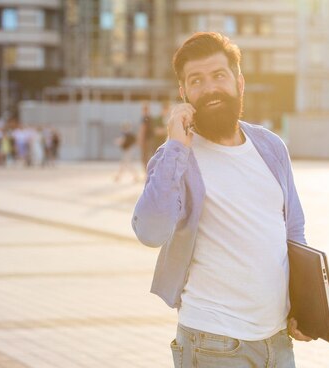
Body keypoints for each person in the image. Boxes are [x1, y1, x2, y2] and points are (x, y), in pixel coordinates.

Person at [131, 32, 311, 368]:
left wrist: (301, 304)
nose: (210, 87)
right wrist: (175, 145)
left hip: (277, 340)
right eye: (196, 80)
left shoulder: (270, 147)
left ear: (239, 83)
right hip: (212, 344)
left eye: (219, 76)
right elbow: (150, 231)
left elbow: (293, 231)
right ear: (183, 93)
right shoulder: (176, 156)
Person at [138, 102, 155, 172]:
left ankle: (147, 173)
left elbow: (143, 129)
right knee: (148, 156)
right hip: (150, 140)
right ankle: (148, 173)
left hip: (146, 140)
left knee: (144, 158)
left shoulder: (144, 118)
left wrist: (140, 140)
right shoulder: (151, 118)